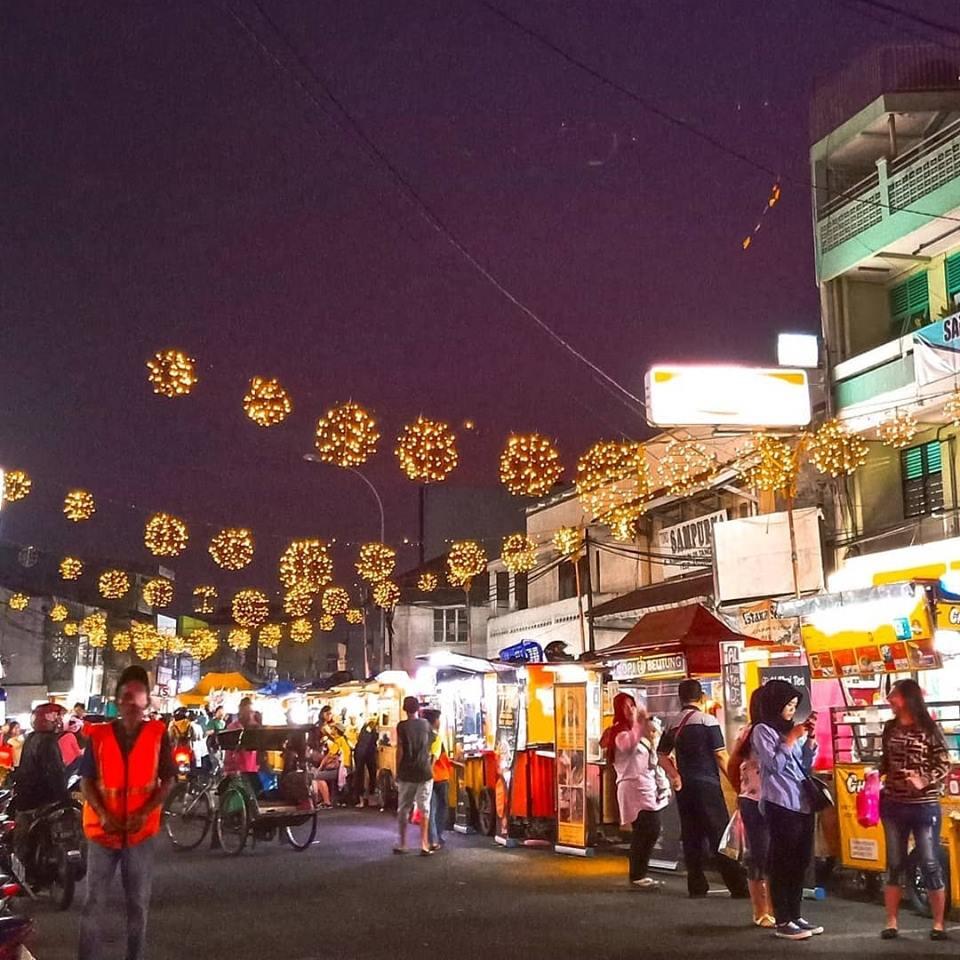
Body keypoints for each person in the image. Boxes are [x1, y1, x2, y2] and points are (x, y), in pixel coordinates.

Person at [78, 665, 176, 960]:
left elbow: (168, 779)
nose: (130, 703)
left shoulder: (158, 735)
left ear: (147, 702)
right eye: (124, 697)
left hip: (139, 834)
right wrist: (103, 813)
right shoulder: (99, 735)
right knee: (93, 903)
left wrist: (145, 812)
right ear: (117, 701)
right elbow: (86, 781)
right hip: (102, 833)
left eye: (136, 697)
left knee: (137, 906)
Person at [657, 679, 748, 899]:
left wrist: (676, 776)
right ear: (702, 698)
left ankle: (696, 885)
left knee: (691, 834)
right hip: (707, 784)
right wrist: (736, 782)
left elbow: (661, 755)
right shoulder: (708, 721)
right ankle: (737, 885)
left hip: (685, 787)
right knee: (719, 834)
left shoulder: (673, 723)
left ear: (681, 698)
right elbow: (720, 754)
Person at [878, 678, 950, 941]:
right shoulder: (889, 728)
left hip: (924, 805)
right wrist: (874, 773)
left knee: (930, 862)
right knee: (894, 863)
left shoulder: (930, 728)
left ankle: (939, 923)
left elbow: (945, 762)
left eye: (893, 695)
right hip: (893, 803)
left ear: (907, 698)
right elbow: (884, 761)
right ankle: (892, 922)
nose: (890, 701)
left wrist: (924, 779)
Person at [751, 679, 821, 942]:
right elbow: (774, 765)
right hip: (780, 803)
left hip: (802, 801)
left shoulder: (789, 730)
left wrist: (809, 738)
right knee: (783, 862)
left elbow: (804, 764)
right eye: (788, 705)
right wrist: (791, 739)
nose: (792, 710)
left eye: (794, 705)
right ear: (775, 704)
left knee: (800, 861)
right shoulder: (763, 730)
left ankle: (795, 914)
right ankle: (783, 919)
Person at [603, 693, 669, 889]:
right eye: (626, 706)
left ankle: (639, 872)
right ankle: (637, 874)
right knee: (648, 828)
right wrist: (640, 724)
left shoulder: (637, 730)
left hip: (646, 785)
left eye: (632, 705)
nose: (630, 709)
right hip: (633, 787)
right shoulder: (619, 732)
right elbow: (628, 744)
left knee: (648, 829)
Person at [728, 689, 774, 927]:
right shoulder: (750, 732)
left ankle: (776, 908)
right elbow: (733, 763)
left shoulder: (780, 730)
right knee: (759, 855)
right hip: (754, 801)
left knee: (774, 856)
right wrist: (742, 790)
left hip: (777, 801)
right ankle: (761, 910)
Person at [394, 696, 434, 856]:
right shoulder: (426, 725)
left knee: (403, 808)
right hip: (424, 771)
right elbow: (430, 747)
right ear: (418, 709)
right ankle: (424, 844)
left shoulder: (402, 726)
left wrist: (398, 770)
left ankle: (403, 843)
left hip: (407, 772)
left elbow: (400, 749)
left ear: (404, 709)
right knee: (424, 808)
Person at [423, 709, 452, 851]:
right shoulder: (436, 737)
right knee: (441, 807)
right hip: (439, 777)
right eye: (438, 719)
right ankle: (436, 836)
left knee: (432, 809)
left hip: (429, 777)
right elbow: (435, 758)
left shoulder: (422, 737)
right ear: (434, 721)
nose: (440, 722)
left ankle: (434, 837)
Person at [353, 718, 379, 808]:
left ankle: (361, 799)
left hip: (360, 753)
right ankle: (369, 798)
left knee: (360, 775)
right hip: (368, 753)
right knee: (371, 774)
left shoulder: (364, 729)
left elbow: (362, 741)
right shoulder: (372, 730)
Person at [59, 715, 85, 780]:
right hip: (67, 765)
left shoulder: (62, 736)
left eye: (77, 725)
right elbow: (78, 753)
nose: (74, 726)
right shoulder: (70, 736)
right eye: (72, 723)